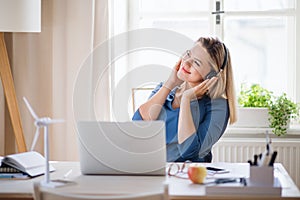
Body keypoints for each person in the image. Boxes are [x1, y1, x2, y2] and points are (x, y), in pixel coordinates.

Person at [132, 37, 237, 162]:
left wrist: (186, 99)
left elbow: (189, 152)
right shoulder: (165, 88)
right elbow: (138, 124)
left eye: (196, 63)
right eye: (188, 54)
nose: (186, 63)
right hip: (153, 170)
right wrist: (170, 82)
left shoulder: (218, 107)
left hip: (188, 176)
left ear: (211, 76)